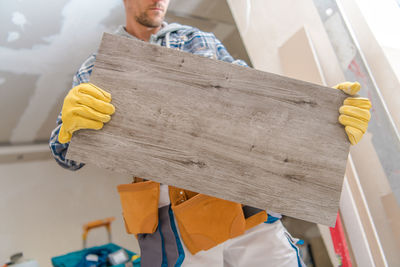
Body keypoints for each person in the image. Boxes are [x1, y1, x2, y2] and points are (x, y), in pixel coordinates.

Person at [49, 0, 372, 266]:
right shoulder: (98, 66)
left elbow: (259, 104)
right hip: (167, 212)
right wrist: (68, 129)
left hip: (237, 196)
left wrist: (324, 115)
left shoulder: (198, 40)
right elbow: (67, 158)